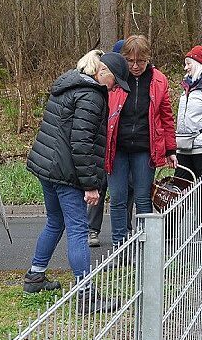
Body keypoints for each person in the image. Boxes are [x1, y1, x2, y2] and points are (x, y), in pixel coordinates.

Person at [24, 50, 129, 312]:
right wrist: (90, 185)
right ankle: (86, 295)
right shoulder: (91, 95)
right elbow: (81, 143)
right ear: (103, 72)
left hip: (47, 165)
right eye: (115, 81)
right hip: (66, 172)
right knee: (78, 229)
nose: (114, 87)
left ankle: (35, 275)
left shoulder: (69, 82)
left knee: (55, 220)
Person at [106, 35, 177, 248]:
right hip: (117, 148)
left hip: (145, 149)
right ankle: (119, 246)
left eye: (140, 61)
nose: (135, 66)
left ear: (148, 59)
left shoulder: (158, 80)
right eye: (130, 61)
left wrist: (171, 149)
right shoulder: (114, 80)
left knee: (143, 198)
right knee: (118, 198)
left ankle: (147, 246)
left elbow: (166, 116)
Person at [87, 40, 132, 248]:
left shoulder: (124, 86)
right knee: (99, 186)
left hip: (119, 145)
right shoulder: (99, 87)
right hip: (102, 143)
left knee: (124, 190)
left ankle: (125, 229)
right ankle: (92, 229)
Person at [175, 45, 202, 178]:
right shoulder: (187, 89)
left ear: (198, 65)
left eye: (188, 64)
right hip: (183, 147)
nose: (185, 68)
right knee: (181, 189)